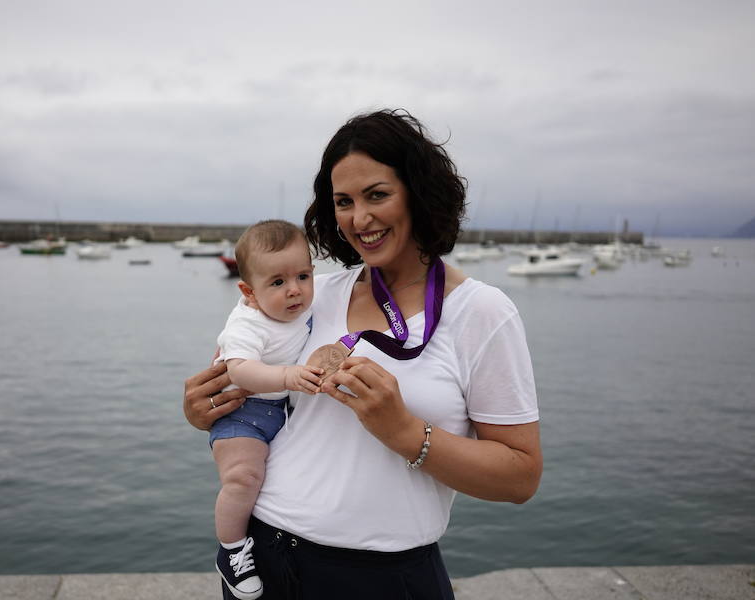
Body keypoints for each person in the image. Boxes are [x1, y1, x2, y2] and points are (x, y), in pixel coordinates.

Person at [184, 109, 542, 600]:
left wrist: (404, 431)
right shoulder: (308, 293)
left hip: (386, 577)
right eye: (343, 202)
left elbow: (521, 477)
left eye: (377, 195)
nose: (359, 219)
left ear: (418, 192)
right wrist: (206, 408)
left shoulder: (481, 312)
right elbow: (237, 380)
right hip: (266, 554)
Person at [209, 219, 323, 599]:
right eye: (277, 283)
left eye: (303, 276)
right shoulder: (248, 322)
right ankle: (232, 550)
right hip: (243, 412)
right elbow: (237, 369)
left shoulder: (309, 305)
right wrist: (287, 376)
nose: (294, 291)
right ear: (249, 292)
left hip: (281, 414)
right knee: (242, 478)